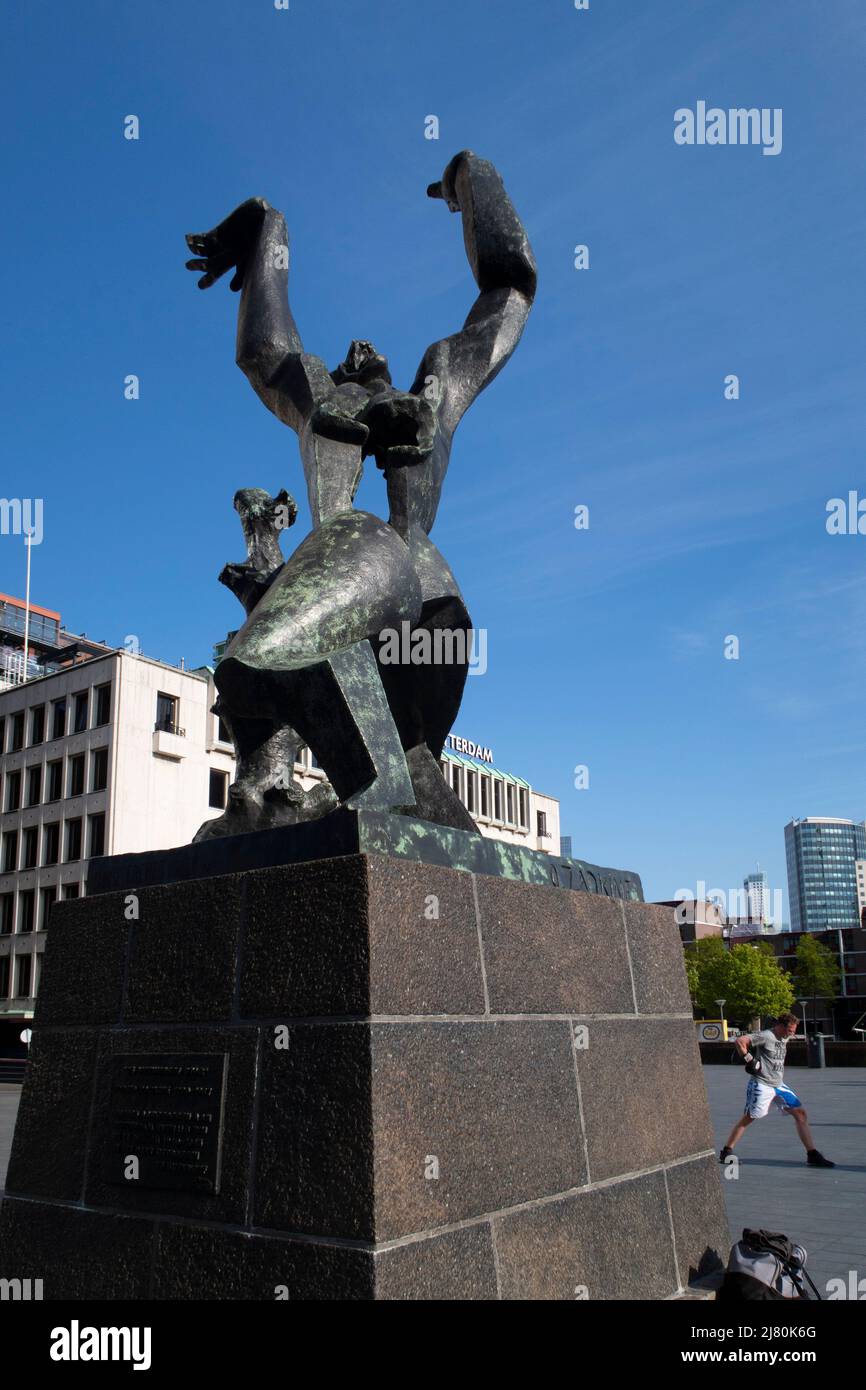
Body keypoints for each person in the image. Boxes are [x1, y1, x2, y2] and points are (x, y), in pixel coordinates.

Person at [720, 1012, 835, 1167]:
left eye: (794, 1030)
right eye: (790, 1030)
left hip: (779, 1084)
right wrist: (750, 1060)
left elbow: (782, 1023)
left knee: (800, 1114)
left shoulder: (784, 1036)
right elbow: (740, 1041)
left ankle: (812, 1154)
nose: (792, 1034)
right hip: (762, 1084)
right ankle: (726, 1152)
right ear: (780, 1027)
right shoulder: (766, 1036)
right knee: (749, 1118)